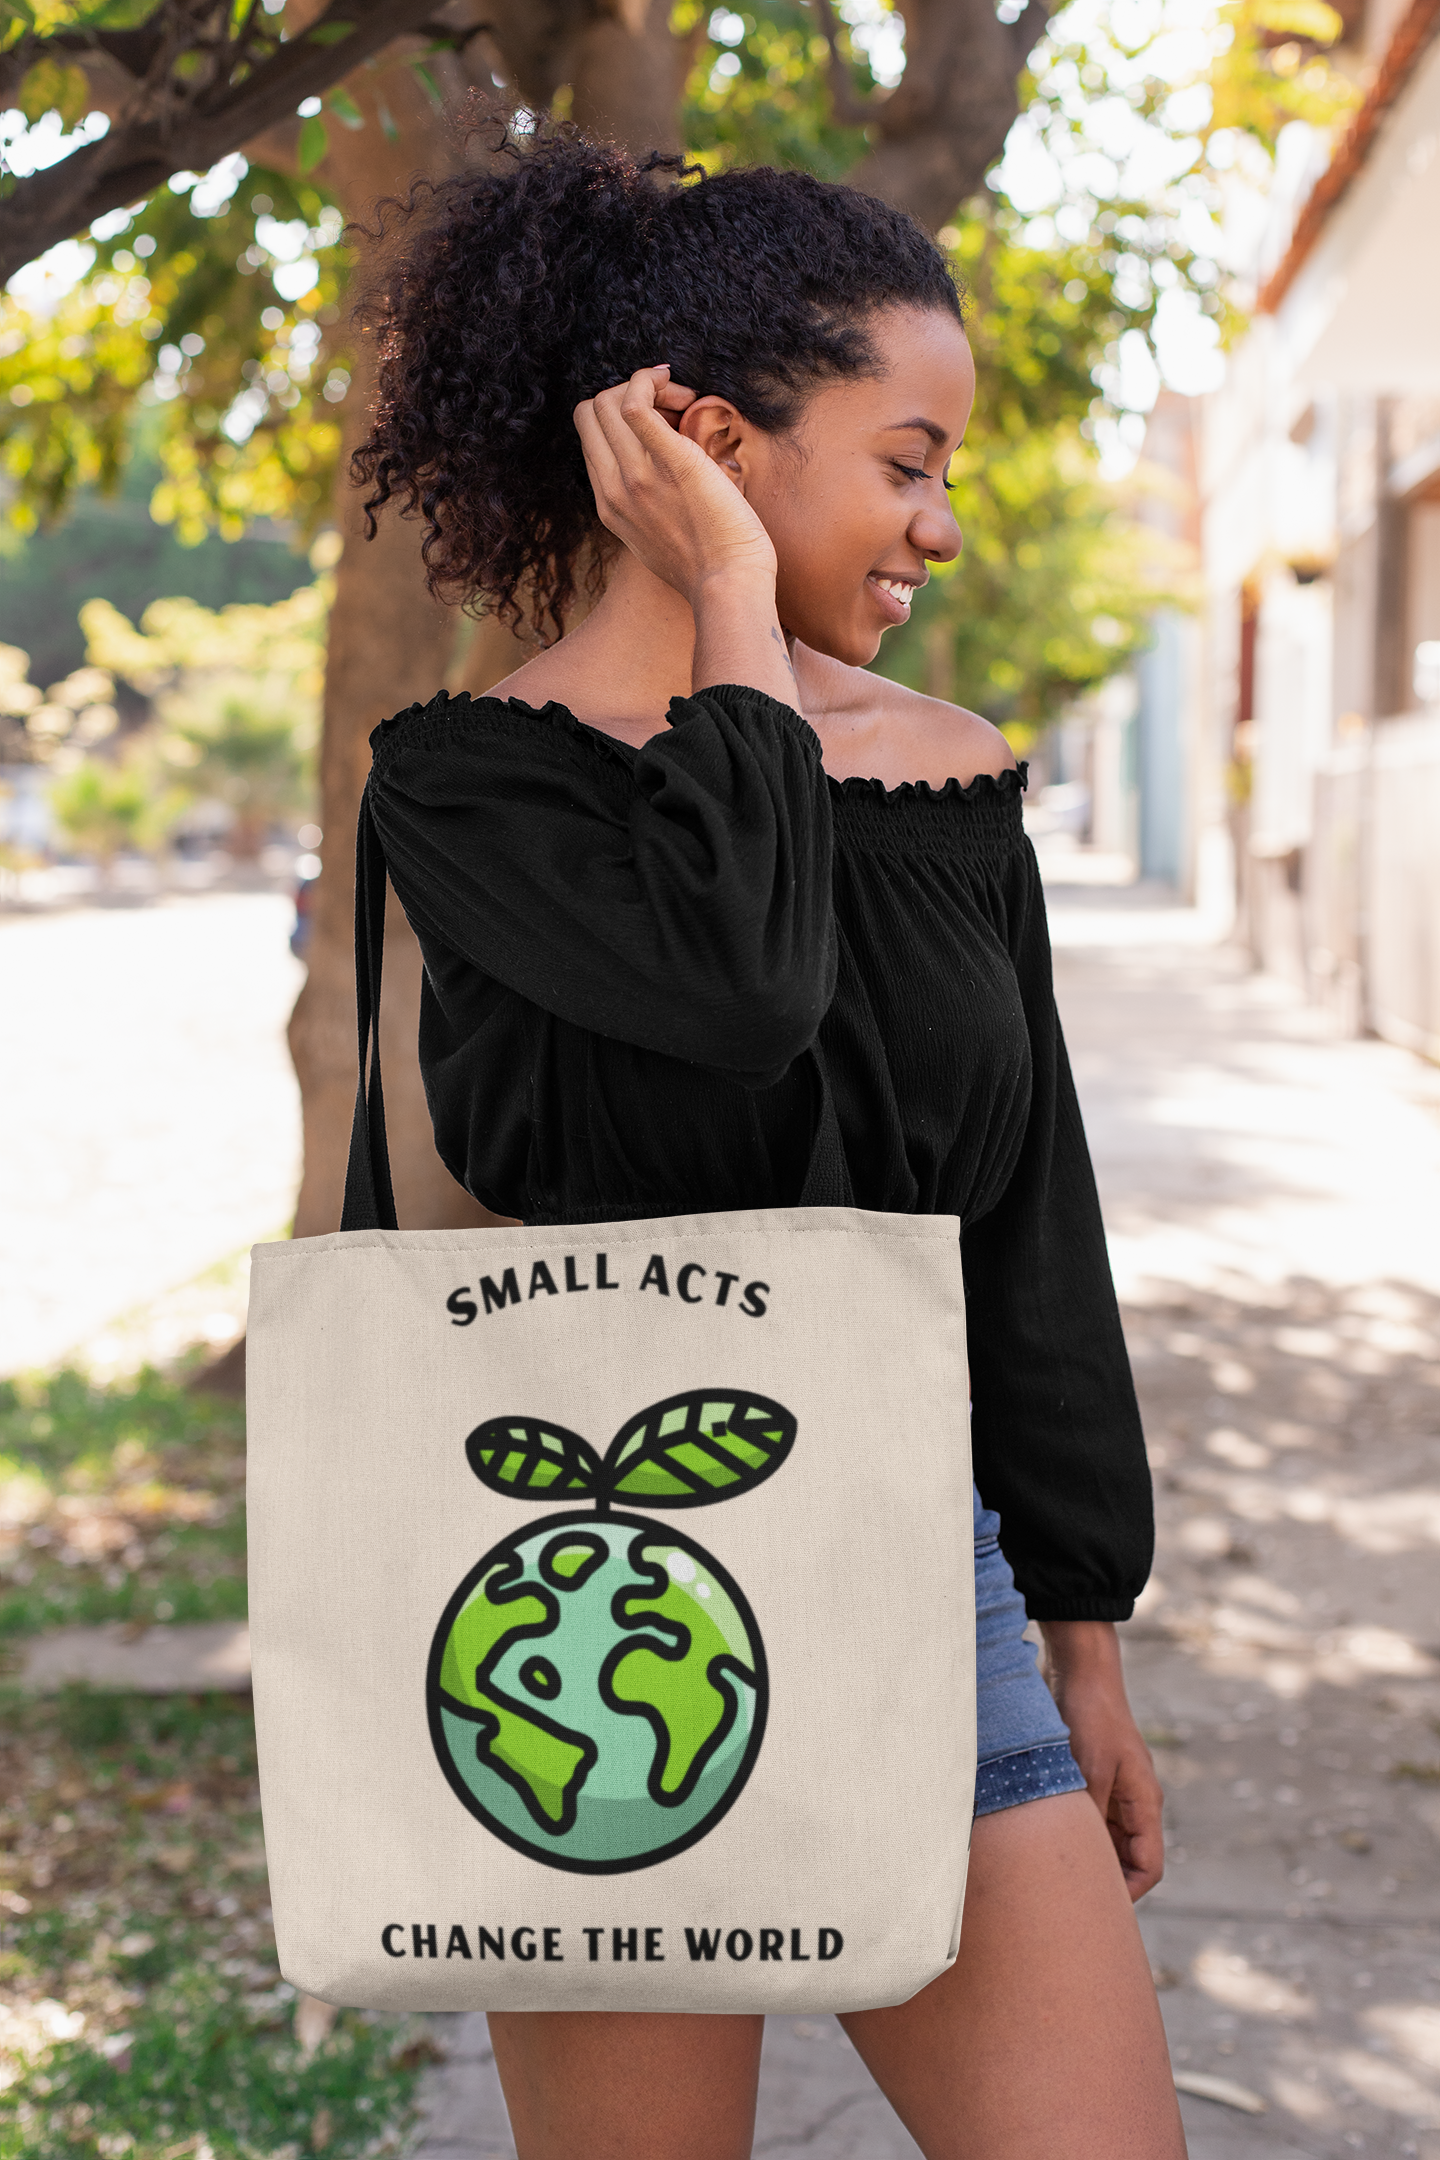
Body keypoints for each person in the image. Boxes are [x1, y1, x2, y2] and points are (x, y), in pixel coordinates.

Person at [351, 118, 1186, 2160]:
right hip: (577, 1618)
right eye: (907, 464)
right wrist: (731, 596)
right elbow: (738, 990)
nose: (945, 529)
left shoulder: (952, 780)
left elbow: (1029, 1226)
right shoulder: (478, 796)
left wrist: (1081, 1630)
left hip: (930, 1585)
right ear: (705, 440)